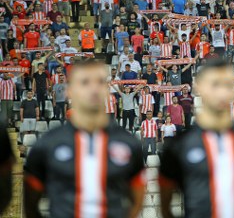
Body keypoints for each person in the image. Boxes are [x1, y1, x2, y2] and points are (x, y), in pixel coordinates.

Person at [23, 60, 145, 218]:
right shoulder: (47, 144)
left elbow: (137, 200)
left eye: (100, 82)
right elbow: (30, 205)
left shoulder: (128, 143)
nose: (93, 89)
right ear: (69, 91)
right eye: (85, 82)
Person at [159, 59, 234, 218]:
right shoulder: (180, 145)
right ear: (199, 87)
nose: (222, 92)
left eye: (227, 85)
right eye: (215, 84)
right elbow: (165, 205)